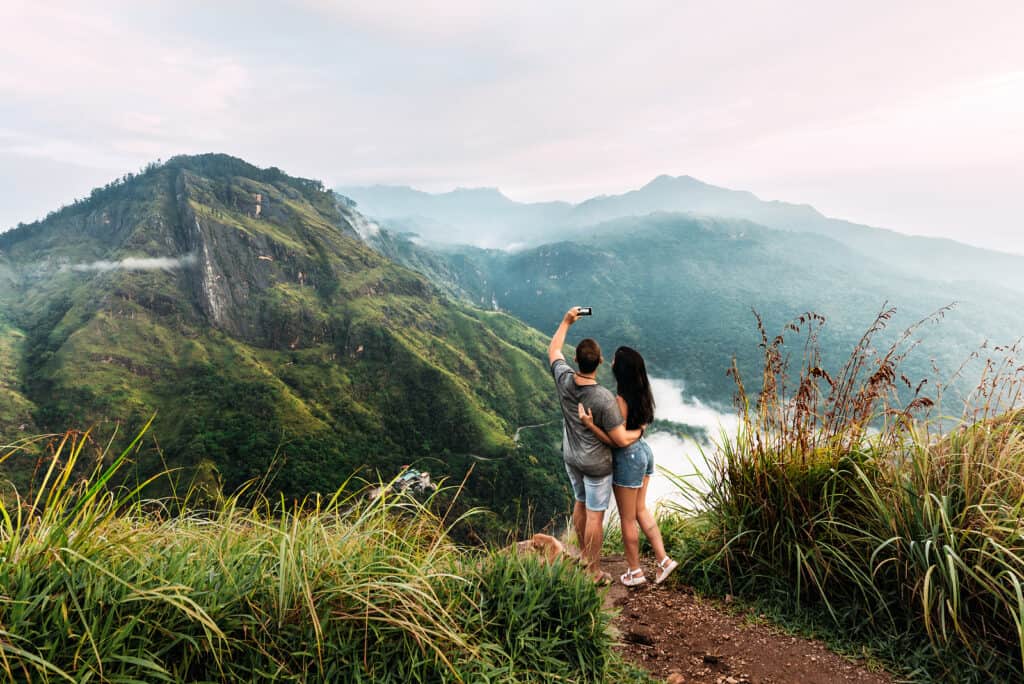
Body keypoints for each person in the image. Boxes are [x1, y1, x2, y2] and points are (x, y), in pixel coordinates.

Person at [547, 307, 643, 583]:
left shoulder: (563, 379)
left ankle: (581, 557)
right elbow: (621, 439)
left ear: (575, 359)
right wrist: (639, 430)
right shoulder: (603, 398)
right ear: (600, 361)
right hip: (596, 464)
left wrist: (566, 321)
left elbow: (553, 350)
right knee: (594, 517)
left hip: (571, 456)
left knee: (579, 502)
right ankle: (594, 571)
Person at [578, 346, 678, 586]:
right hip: (644, 452)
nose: (610, 362)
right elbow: (640, 427)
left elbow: (617, 440)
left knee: (627, 518)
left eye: (613, 360)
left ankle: (635, 571)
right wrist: (638, 433)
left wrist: (591, 426)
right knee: (641, 510)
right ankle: (663, 560)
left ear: (620, 370)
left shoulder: (620, 400)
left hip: (628, 459)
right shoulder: (643, 393)